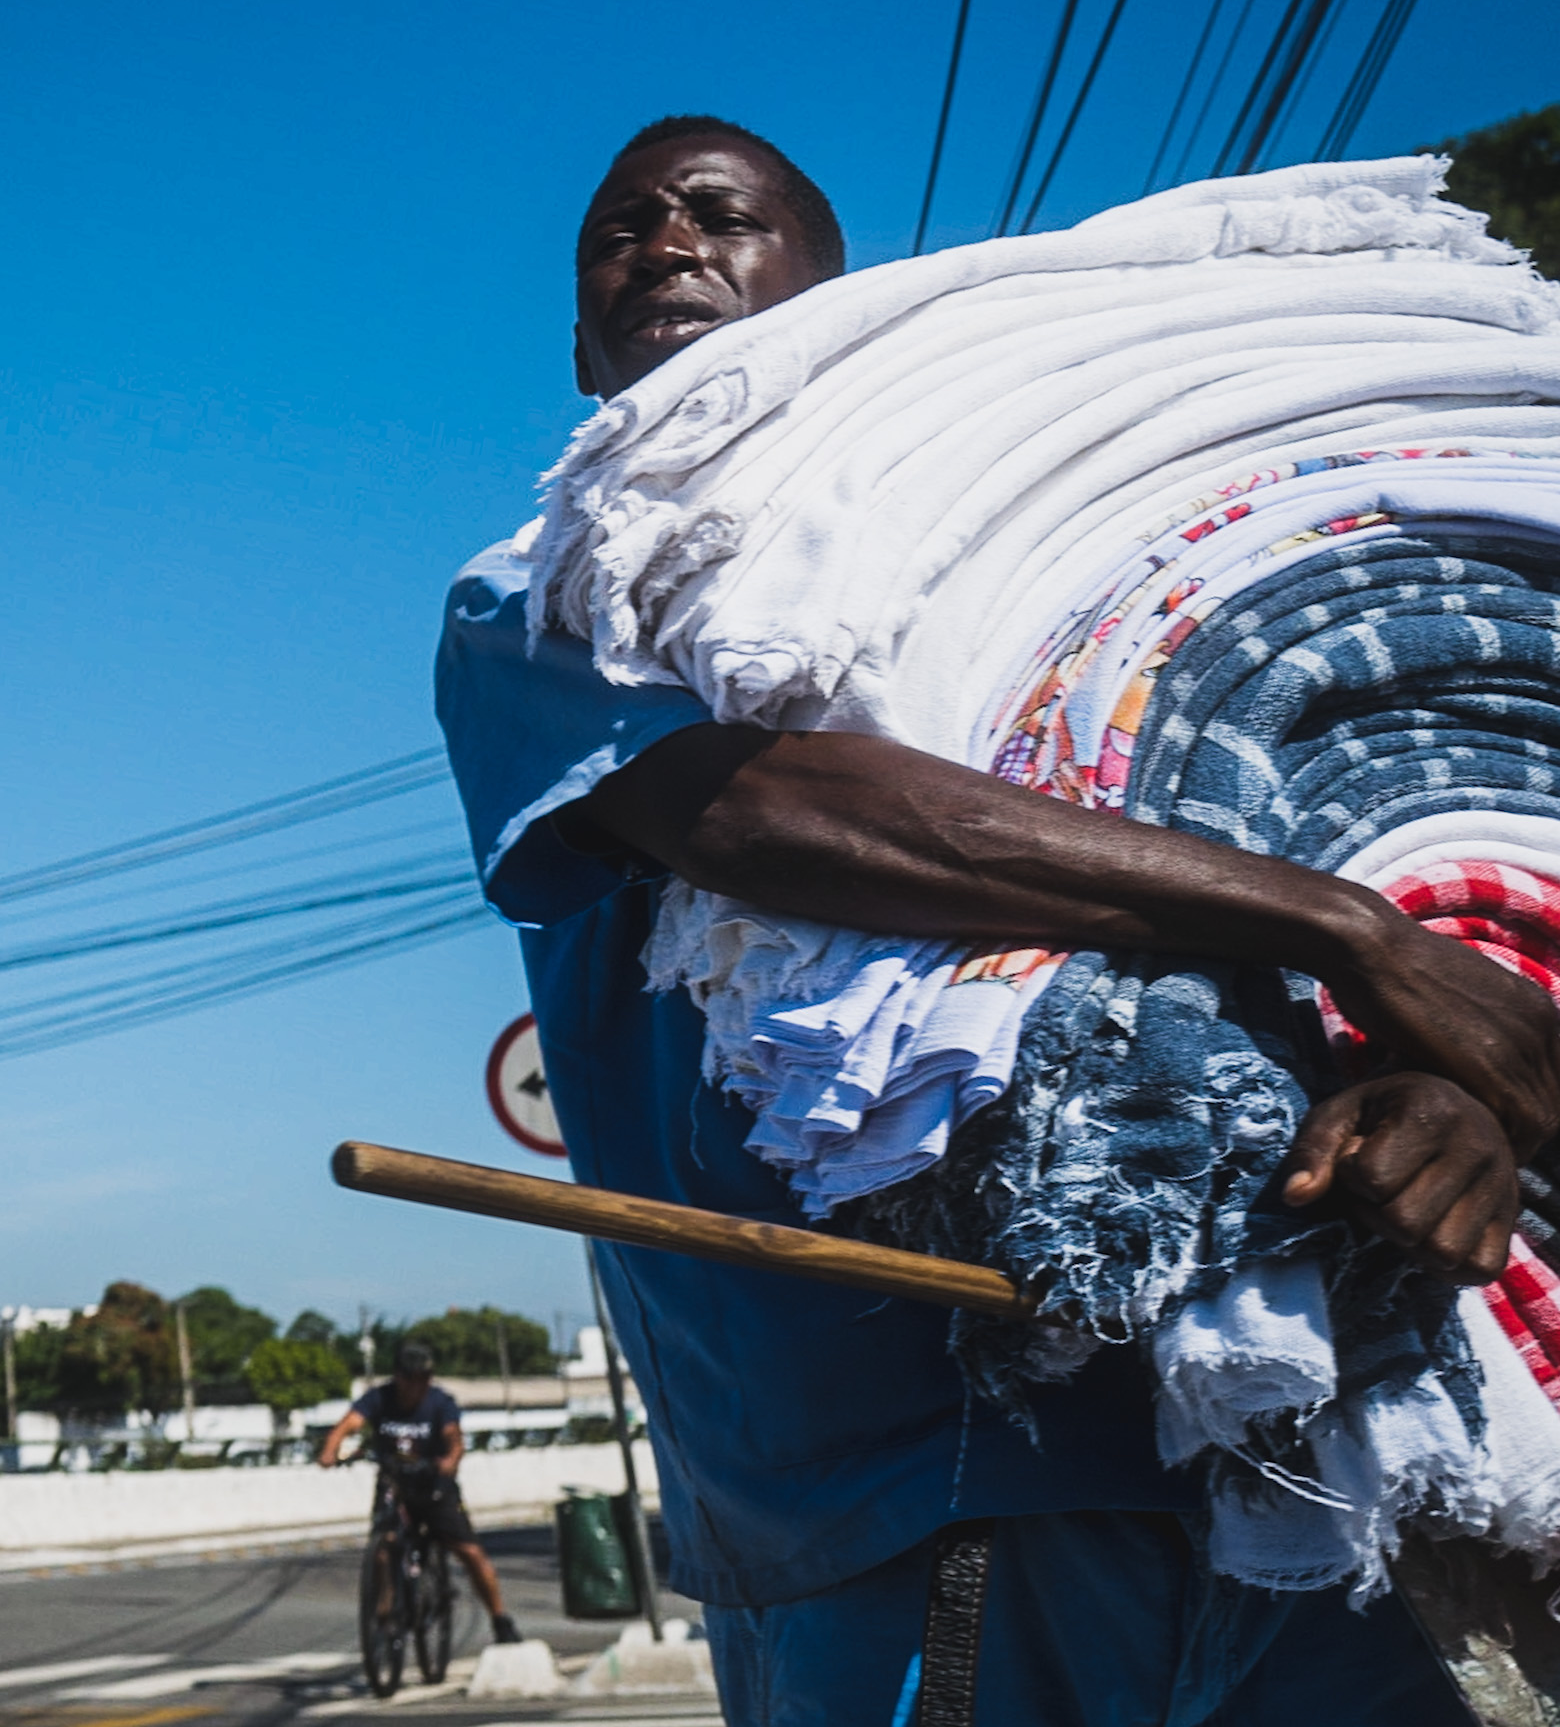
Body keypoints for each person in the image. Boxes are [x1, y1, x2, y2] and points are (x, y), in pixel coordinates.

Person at [433, 115, 1560, 1723]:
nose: (667, 246)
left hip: (1265, 1436)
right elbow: (763, 812)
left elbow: (1264, 835)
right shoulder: (543, 594)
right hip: (914, 1463)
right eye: (620, 234)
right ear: (577, 347)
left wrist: (1422, 1089)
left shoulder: (1045, 577)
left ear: (845, 302)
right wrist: (1353, 932)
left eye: (719, 219)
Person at [317, 1340, 521, 1645]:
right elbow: (347, 1425)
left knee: (469, 1551)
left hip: (433, 1484)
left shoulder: (439, 1402)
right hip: (394, 1482)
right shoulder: (379, 1398)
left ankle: (500, 1618)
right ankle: (386, 1610)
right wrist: (329, 1451)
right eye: (412, 1378)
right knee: (383, 1545)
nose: (418, 1385)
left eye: (425, 1378)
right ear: (398, 1376)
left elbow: (454, 1439)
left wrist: (450, 1461)